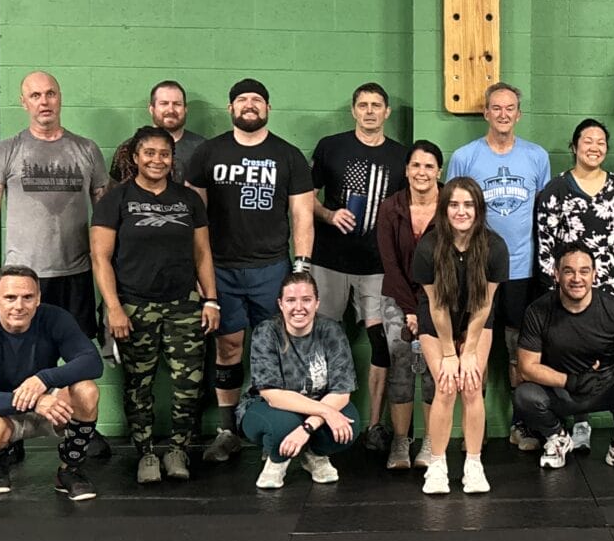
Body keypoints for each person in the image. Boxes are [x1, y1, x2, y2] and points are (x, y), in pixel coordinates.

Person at [0, 70, 112, 459]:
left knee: (78, 356)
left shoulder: (86, 150)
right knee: (16, 354)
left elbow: (104, 213)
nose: (44, 101)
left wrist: (111, 268)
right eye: (35, 95)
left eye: (50, 93)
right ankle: (12, 431)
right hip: (23, 275)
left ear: (59, 97)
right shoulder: (9, 150)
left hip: (75, 272)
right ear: (24, 102)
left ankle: (79, 429)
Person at [187, 78, 315, 463]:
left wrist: (301, 269)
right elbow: (194, 218)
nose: (249, 104)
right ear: (230, 108)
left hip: (271, 268)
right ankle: (228, 430)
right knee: (228, 346)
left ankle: (272, 425)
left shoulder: (288, 155)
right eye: (241, 99)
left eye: (257, 99)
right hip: (221, 269)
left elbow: (302, 215)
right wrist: (198, 272)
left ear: (268, 108)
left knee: (275, 350)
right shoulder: (208, 153)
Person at [91, 127, 221, 484]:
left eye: (164, 153)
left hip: (184, 305)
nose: (157, 160)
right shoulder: (115, 200)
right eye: (149, 153)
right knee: (138, 385)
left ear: (172, 159)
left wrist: (211, 300)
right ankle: (146, 453)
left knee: (189, 385)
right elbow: (100, 258)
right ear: (135, 157)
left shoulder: (188, 200)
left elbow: (202, 253)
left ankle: (179, 449)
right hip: (134, 307)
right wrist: (114, 308)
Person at [446, 82, 552, 449]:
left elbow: (544, 214)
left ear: (518, 114)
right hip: (476, 270)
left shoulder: (537, 156)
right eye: (496, 107)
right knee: (471, 346)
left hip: (522, 270)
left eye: (510, 108)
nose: (503, 114)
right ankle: (470, 428)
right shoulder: (465, 157)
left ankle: (522, 424)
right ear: (486, 112)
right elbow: (452, 215)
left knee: (519, 350)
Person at [534, 118, 614, 451]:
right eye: (587, 141)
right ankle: (580, 421)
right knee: (576, 360)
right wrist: (554, 298)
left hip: (611, 292)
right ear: (574, 146)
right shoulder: (555, 189)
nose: (594, 148)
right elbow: (545, 249)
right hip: (570, 296)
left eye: (601, 142)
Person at [310, 82, 409, 442]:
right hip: (330, 261)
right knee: (321, 340)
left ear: (387, 112)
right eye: (363, 105)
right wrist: (328, 214)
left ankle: (374, 426)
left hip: (378, 266)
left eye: (376, 105)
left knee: (381, 343)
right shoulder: (330, 147)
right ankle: (321, 420)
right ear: (353, 110)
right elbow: (305, 199)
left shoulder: (401, 156)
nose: (369, 111)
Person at [0, 265, 105, 500]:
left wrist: (44, 379)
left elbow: (92, 363)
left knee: (87, 390)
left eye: (27, 297)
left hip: (49, 408)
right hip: (1, 410)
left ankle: (70, 469)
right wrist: (34, 401)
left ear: (38, 299)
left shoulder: (55, 319)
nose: (19, 306)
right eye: (10, 297)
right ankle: (1, 461)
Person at [514, 244, 614, 475]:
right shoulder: (538, 311)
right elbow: (526, 367)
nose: (577, 278)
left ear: (594, 274)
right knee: (524, 395)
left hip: (608, 388)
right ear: (556, 274)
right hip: (564, 392)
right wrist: (569, 381)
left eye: (584, 271)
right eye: (569, 271)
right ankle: (557, 437)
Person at [411, 177, 508, 495]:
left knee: (472, 384)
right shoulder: (428, 247)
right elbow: (437, 306)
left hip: (476, 318)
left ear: (478, 209)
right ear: (444, 209)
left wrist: (469, 351)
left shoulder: (495, 247)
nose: (461, 211)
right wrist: (450, 353)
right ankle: (437, 465)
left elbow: (484, 304)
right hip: (437, 319)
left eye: (468, 204)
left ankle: (474, 464)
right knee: (446, 384)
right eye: (454, 204)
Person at [238, 272, 358, 489]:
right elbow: (273, 396)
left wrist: (308, 427)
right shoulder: (266, 332)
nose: (299, 307)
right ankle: (277, 459)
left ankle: (314, 454)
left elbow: (341, 392)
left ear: (317, 303)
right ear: (281, 304)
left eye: (306, 300)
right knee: (284, 425)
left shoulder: (331, 330)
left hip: (318, 403)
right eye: (291, 300)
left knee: (349, 425)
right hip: (268, 406)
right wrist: (327, 413)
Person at [375, 141, 443, 472]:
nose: (422, 172)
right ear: (406, 170)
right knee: (401, 367)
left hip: (440, 300)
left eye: (429, 166)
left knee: (433, 371)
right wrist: (410, 310)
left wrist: (426, 308)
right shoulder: (390, 208)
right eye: (416, 165)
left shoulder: (452, 205)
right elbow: (390, 264)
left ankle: (431, 440)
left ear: (439, 171)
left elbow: (454, 262)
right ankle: (401, 441)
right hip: (397, 299)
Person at [110, 80, 206, 184]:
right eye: (164, 103)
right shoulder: (128, 149)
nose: (171, 110)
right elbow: (115, 190)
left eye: (177, 104)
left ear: (185, 109)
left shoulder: (203, 148)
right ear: (151, 109)